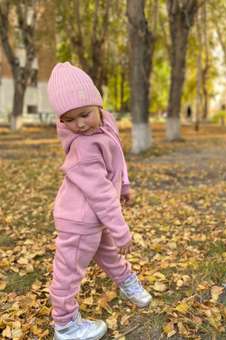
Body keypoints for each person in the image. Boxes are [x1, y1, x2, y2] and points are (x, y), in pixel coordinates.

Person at [47, 62, 152, 340]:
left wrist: (125, 185)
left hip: (96, 216)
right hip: (80, 219)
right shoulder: (83, 147)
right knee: (68, 271)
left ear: (98, 105)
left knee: (107, 253)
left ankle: (128, 282)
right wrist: (120, 229)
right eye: (69, 120)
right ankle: (66, 325)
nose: (79, 124)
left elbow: (117, 160)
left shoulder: (105, 125)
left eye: (84, 114)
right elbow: (100, 193)